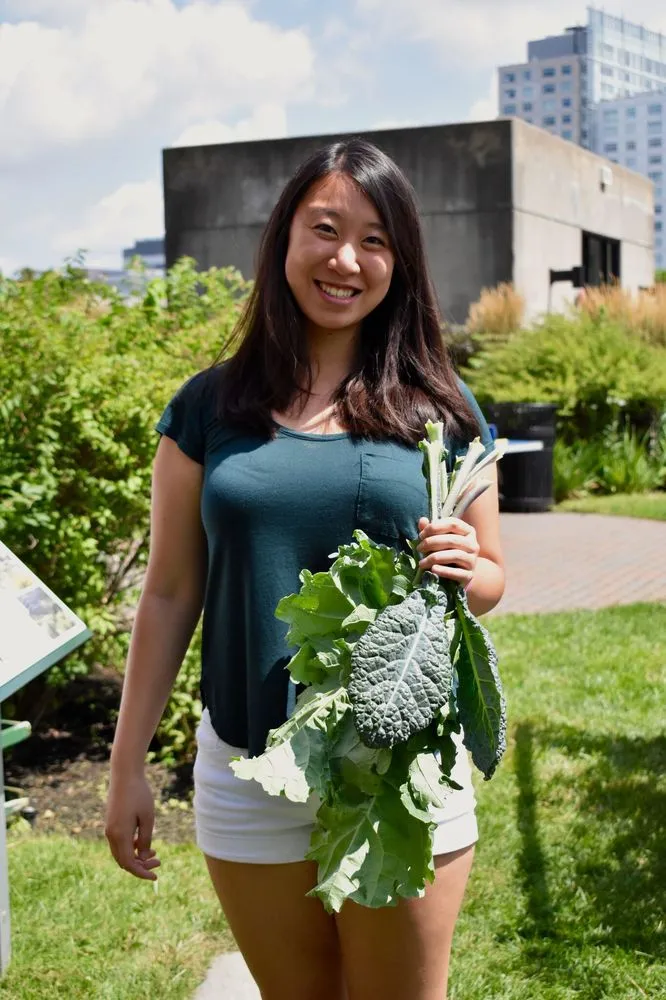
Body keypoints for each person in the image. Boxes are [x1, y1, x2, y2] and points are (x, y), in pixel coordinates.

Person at [105, 137, 505, 1000]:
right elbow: (169, 592)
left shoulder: (440, 409)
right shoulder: (208, 408)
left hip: (401, 769)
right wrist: (127, 762)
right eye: (325, 229)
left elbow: (490, 581)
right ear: (284, 237)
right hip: (250, 769)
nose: (345, 259)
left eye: (374, 239)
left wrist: (466, 567)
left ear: (400, 262)